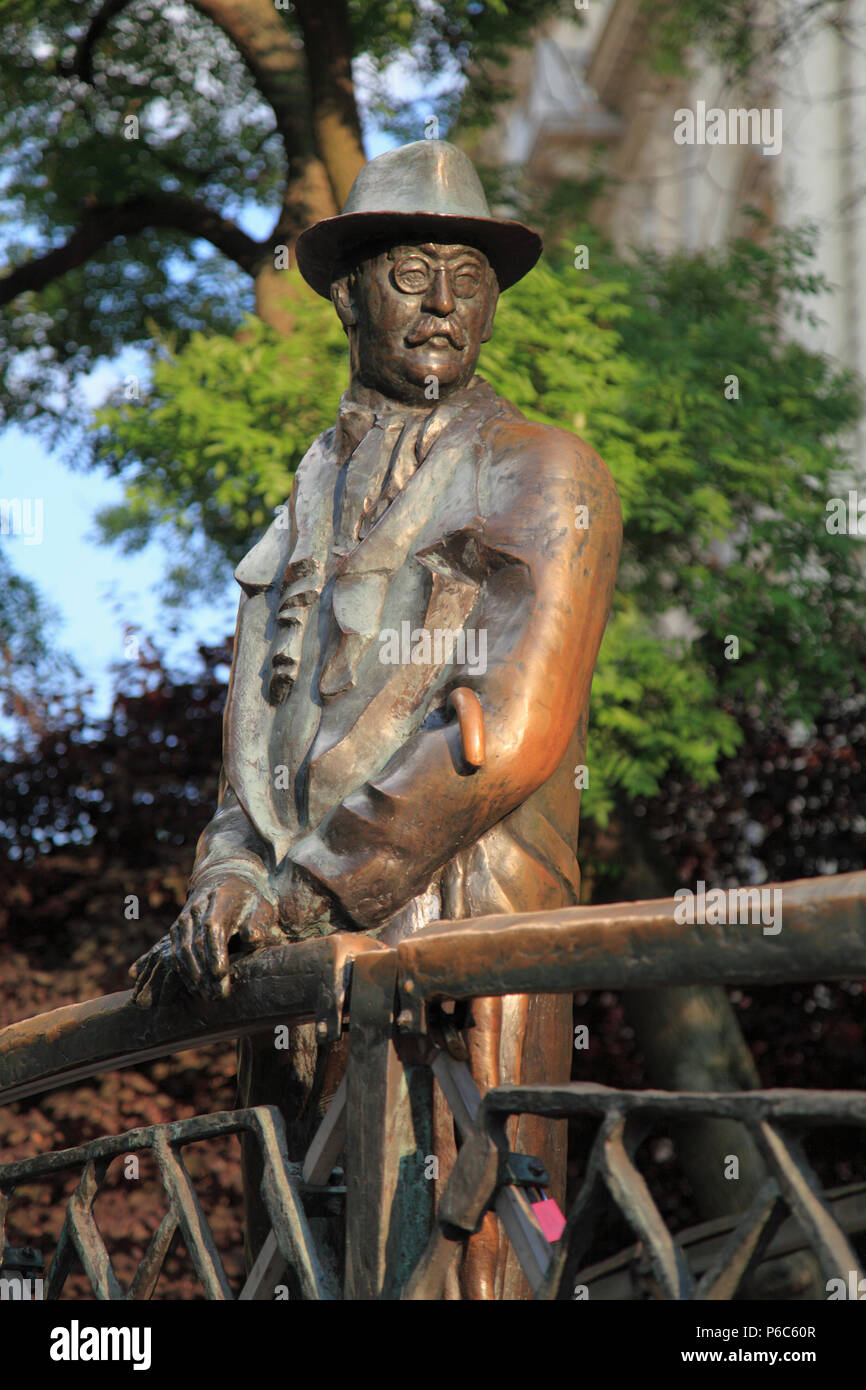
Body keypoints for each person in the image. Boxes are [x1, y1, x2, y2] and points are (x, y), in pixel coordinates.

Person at [131, 139, 622, 1299]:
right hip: (295, 1020)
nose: (445, 302)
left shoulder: (543, 474)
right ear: (347, 294)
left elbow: (501, 734)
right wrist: (226, 882)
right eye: (411, 273)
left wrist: (292, 896)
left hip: (453, 990)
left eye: (469, 273)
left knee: (462, 1278)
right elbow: (242, 778)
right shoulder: (290, 514)